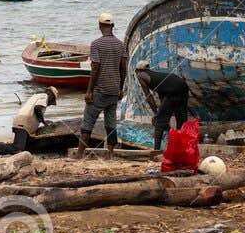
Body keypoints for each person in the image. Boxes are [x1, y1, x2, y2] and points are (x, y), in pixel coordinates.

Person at [77, 11, 128, 156]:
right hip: (114, 90)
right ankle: (110, 153)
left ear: (100, 26)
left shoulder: (96, 44)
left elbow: (95, 67)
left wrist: (89, 91)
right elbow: (123, 68)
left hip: (100, 90)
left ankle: (80, 154)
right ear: (113, 26)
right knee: (111, 123)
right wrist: (120, 88)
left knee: (88, 122)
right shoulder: (120, 45)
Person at [0, 86, 57, 157]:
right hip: (24, 122)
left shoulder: (35, 96)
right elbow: (37, 109)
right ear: (50, 95)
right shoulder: (45, 96)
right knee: (18, 148)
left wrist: (42, 120)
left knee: (24, 147)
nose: (50, 103)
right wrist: (43, 121)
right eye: (52, 100)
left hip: (21, 121)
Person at [136, 63, 189, 152]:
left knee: (159, 123)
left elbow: (148, 96)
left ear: (137, 70)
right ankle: (182, 150)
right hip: (182, 85)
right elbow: (163, 99)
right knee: (181, 121)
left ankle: (156, 151)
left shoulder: (140, 75)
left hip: (173, 90)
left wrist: (156, 114)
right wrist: (161, 112)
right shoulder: (158, 76)